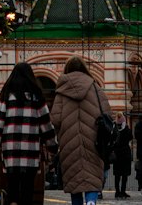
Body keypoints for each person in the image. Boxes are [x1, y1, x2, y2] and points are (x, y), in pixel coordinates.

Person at [0, 62, 57, 205]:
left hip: (11, 152)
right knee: (27, 190)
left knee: (12, 189)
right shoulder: (37, 98)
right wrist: (53, 147)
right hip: (31, 152)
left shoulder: (7, 98)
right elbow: (46, 126)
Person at [49, 56, 112, 205]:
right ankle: (91, 201)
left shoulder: (61, 91)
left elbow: (55, 119)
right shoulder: (96, 88)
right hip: (93, 140)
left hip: (69, 143)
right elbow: (107, 113)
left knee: (75, 181)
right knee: (91, 177)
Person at [112, 114, 133, 199]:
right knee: (124, 174)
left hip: (117, 154)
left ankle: (117, 192)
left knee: (117, 175)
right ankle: (122, 191)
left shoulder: (114, 129)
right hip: (125, 154)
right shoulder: (126, 129)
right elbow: (130, 137)